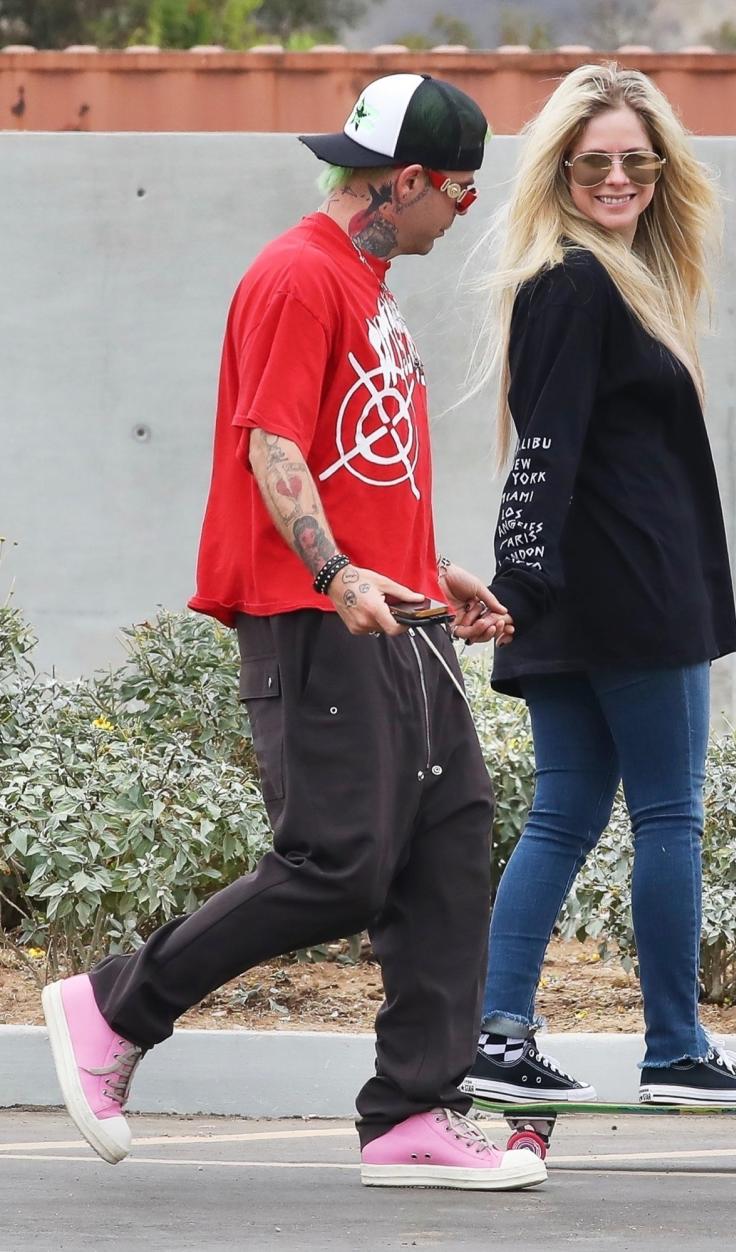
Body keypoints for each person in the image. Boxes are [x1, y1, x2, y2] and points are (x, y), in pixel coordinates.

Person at [41, 73, 545, 1192]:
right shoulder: (296, 276)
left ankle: (416, 1112)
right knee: (340, 862)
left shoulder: (366, 284)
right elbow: (271, 444)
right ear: (408, 181)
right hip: (311, 615)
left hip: (396, 616)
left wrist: (429, 571)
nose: (461, 215)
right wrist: (332, 570)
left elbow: (357, 459)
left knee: (451, 844)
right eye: (459, 195)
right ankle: (112, 1005)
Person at [461, 63, 736, 1107]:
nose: (618, 177)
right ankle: (676, 1047)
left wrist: (526, 583)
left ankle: (499, 1036)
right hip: (631, 593)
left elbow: (549, 444)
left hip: (580, 591)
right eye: (594, 160)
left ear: (661, 168)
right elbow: (545, 448)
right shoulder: (577, 280)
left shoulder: (592, 279)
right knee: (668, 817)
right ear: (559, 169)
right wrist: (517, 575)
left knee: (564, 812)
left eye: (636, 160)